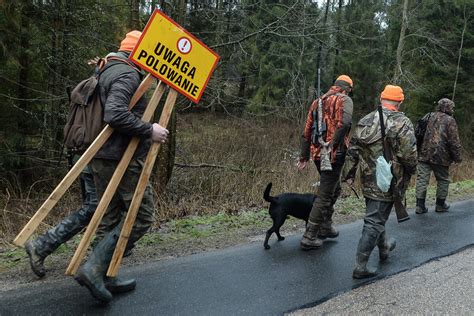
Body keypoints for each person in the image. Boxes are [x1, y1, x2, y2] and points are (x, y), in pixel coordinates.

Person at [73, 30, 169, 303]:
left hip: (101, 156)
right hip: (120, 156)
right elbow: (114, 114)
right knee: (142, 215)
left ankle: (104, 274)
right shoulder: (127, 74)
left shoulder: (105, 68)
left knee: (110, 215)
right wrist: (148, 130)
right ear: (140, 53)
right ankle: (94, 268)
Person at [341, 85, 417, 279]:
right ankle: (360, 266)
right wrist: (412, 171)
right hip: (389, 180)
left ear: (381, 99)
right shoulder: (401, 122)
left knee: (377, 214)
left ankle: (383, 247)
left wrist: (349, 174)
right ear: (399, 102)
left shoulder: (366, 120)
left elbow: (353, 150)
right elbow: (409, 154)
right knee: (374, 221)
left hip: (368, 178)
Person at [297, 75, 354, 250]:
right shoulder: (345, 100)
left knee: (334, 189)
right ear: (346, 89)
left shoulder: (317, 102)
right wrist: (333, 145)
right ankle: (310, 235)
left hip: (317, 153)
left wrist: (304, 156)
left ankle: (325, 225)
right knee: (325, 193)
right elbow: (344, 124)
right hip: (334, 154)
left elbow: (306, 131)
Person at [25, 156, 98, 278]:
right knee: (93, 209)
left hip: (89, 160)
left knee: (92, 209)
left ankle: (42, 245)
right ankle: (41, 246)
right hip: (96, 162)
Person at [415, 98, 462, 214]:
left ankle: (419, 206)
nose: (452, 109)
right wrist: (457, 158)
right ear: (449, 108)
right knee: (443, 179)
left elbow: (417, 132)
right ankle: (440, 205)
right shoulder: (450, 120)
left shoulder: (428, 115)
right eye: (452, 107)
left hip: (424, 153)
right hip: (441, 156)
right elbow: (454, 142)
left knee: (422, 179)